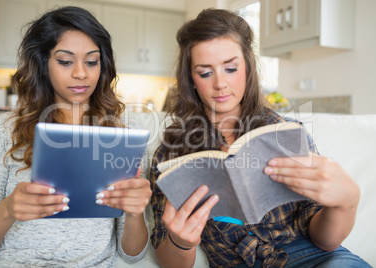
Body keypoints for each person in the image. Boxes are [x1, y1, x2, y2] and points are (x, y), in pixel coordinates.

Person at [149, 8, 371, 268]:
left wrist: (346, 204)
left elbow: (324, 242)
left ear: (247, 67)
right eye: (205, 73)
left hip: (312, 257)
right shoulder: (171, 153)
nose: (220, 83)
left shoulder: (285, 134)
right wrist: (181, 241)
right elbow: (169, 259)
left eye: (231, 68)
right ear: (191, 79)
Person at [0, 6, 151, 267]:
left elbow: (132, 255)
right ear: (43, 63)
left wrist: (135, 214)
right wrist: (9, 209)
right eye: (66, 61)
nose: (81, 73)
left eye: (91, 61)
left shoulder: (122, 138)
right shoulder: (6, 130)